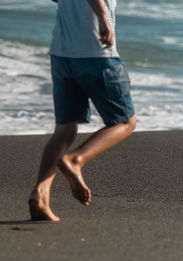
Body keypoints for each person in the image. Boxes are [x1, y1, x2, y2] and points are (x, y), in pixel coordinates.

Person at [28, 0, 136, 221]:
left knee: (65, 130)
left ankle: (40, 194)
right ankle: (76, 160)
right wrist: (103, 18)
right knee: (125, 122)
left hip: (62, 54)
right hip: (96, 54)